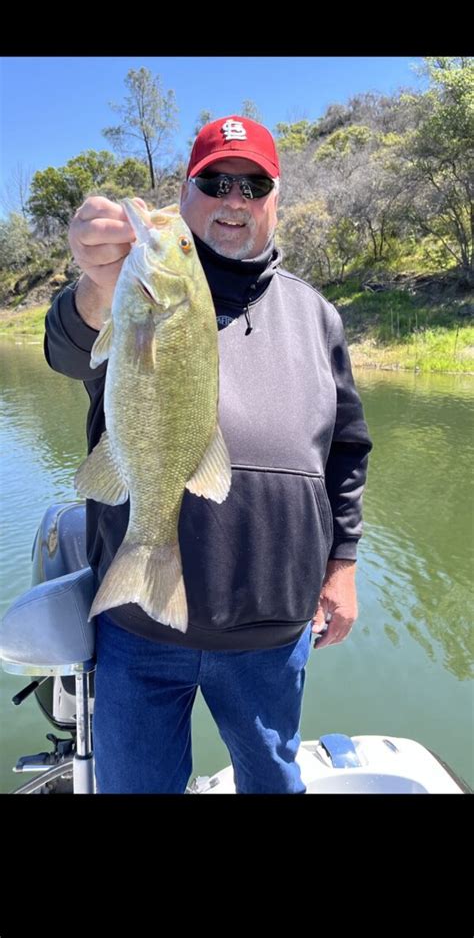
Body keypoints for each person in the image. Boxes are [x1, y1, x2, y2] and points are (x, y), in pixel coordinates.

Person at [44, 115, 372, 794]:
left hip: (270, 629)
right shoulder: (132, 298)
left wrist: (342, 566)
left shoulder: (318, 315)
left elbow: (348, 447)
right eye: (216, 181)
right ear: (188, 193)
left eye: (254, 183)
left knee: (274, 783)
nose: (235, 198)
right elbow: (70, 348)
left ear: (275, 198)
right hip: (140, 630)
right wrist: (97, 289)